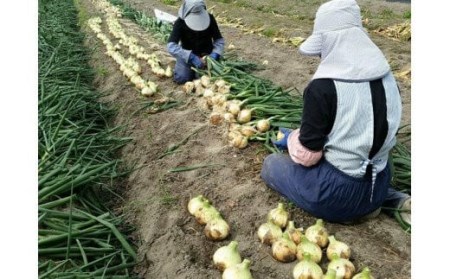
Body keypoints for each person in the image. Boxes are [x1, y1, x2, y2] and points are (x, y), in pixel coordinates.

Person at [260, 0, 411, 225]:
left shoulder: (322, 88)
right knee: (363, 163)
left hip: (336, 195)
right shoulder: (387, 76)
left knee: (272, 165)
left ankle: (350, 210)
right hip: (377, 182)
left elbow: (309, 157)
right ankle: (389, 199)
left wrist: (293, 139)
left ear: (329, 43)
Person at [167, 0, 225, 84]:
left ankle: (196, 72)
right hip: (187, 56)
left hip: (207, 57)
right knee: (182, 78)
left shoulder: (210, 18)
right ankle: (184, 67)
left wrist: (215, 54)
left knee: (212, 79)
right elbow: (171, 46)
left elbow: (219, 40)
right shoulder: (180, 22)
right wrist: (191, 57)